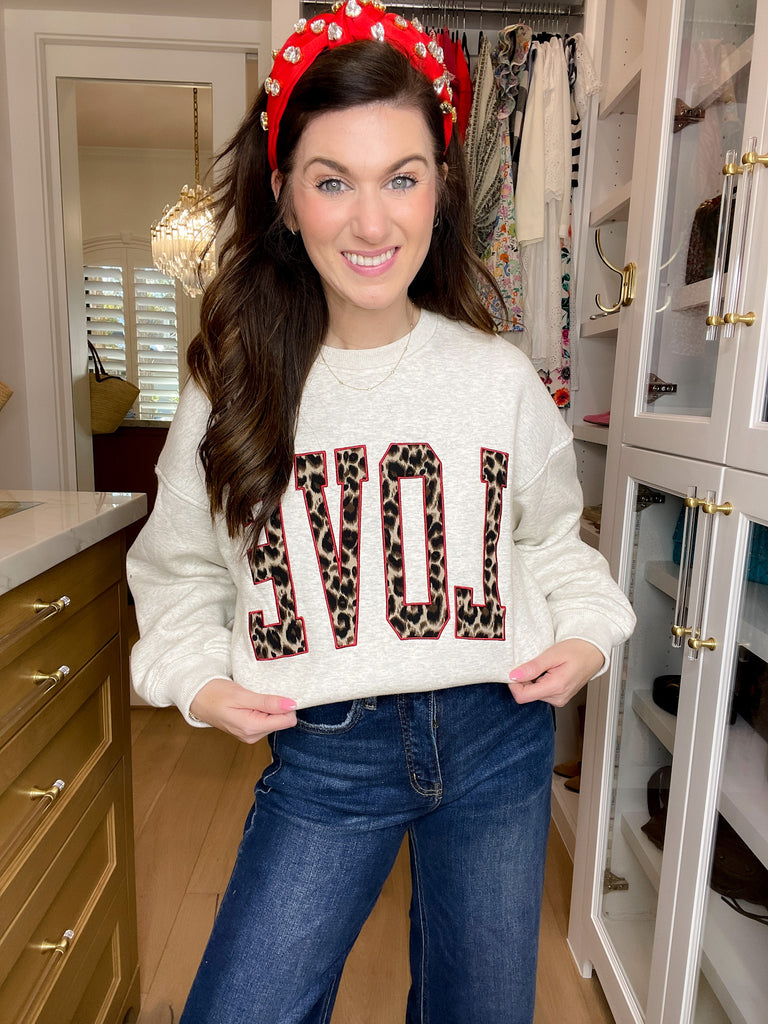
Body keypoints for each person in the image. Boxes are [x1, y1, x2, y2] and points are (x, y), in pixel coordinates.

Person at [127, 4, 635, 1022]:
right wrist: (196, 680)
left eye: (401, 177)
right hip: (327, 747)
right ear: (283, 195)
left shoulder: (496, 378)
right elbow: (178, 568)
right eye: (333, 181)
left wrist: (589, 633)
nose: (372, 223)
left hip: (499, 731)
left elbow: (548, 540)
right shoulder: (232, 389)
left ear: (441, 189)